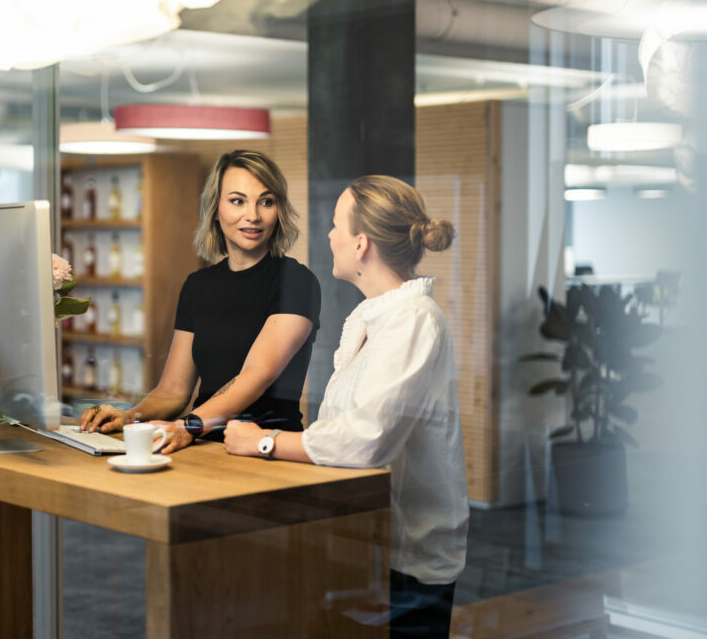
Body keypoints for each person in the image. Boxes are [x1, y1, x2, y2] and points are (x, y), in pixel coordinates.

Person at [224, 175, 468, 639]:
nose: (330, 235)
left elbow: (366, 439)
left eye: (336, 225)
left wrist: (264, 442)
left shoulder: (414, 320)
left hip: (408, 557)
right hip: (367, 540)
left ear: (361, 243)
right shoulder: (374, 314)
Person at [81, 150, 321, 453]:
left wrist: (188, 426)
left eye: (266, 201)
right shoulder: (198, 285)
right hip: (203, 446)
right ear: (216, 209)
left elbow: (255, 376)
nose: (253, 215)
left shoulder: (297, 282)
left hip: (266, 450)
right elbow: (173, 390)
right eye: (238, 200)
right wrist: (130, 416)